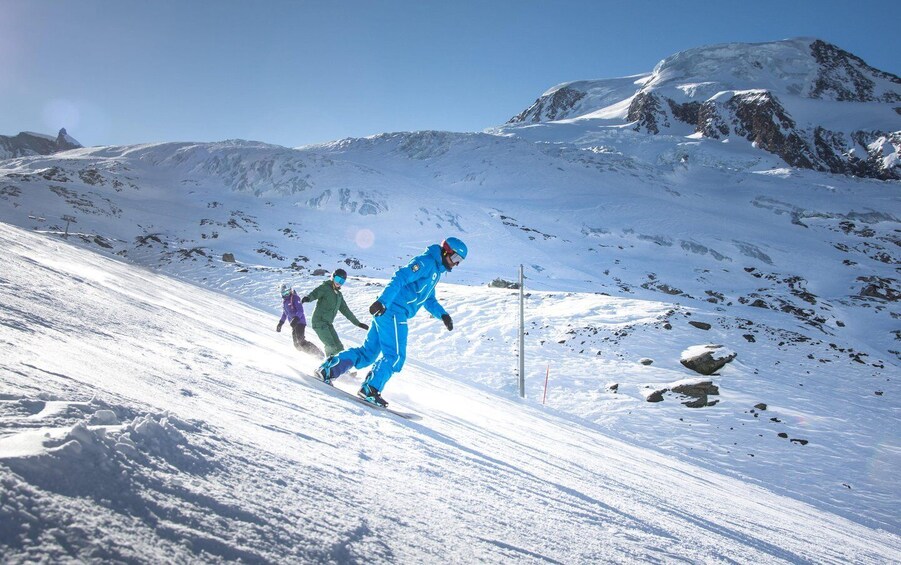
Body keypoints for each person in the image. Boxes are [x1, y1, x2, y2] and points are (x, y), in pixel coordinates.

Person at [315, 237, 468, 407]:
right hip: (394, 311)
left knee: (368, 353)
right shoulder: (426, 262)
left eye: (460, 261)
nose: (456, 264)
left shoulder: (436, 272)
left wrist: (443, 315)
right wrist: (383, 302)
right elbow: (400, 277)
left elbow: (428, 298)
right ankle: (370, 389)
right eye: (456, 258)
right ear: (446, 251)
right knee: (395, 357)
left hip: (389, 311)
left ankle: (329, 370)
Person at [301, 268, 369, 357]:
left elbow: (346, 311)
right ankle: (328, 364)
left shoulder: (339, 295)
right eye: (337, 279)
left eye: (342, 281)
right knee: (331, 346)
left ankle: (341, 365)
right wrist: (308, 298)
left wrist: (358, 323)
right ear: (333, 277)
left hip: (328, 324)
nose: (339, 283)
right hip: (319, 322)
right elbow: (315, 293)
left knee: (339, 348)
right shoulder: (325, 287)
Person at [276, 283, 321, 356]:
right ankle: (312, 354)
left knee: (301, 341)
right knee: (297, 345)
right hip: (293, 324)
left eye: (287, 292)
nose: (286, 295)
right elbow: (285, 313)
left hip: (300, 322)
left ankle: (318, 354)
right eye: (284, 293)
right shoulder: (285, 302)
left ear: (290, 291)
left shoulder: (295, 298)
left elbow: (300, 310)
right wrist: (280, 323)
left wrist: (296, 318)